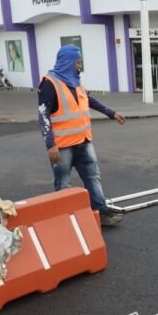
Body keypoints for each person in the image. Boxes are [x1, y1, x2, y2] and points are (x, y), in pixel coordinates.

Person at [37, 45, 126, 226]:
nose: (79, 66)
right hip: (62, 147)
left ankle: (100, 212)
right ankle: (65, 219)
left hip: (84, 141)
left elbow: (89, 99)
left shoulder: (76, 81)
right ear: (68, 62)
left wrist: (111, 113)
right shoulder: (49, 84)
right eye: (78, 62)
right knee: (63, 184)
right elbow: (43, 115)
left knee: (93, 177)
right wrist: (50, 144)